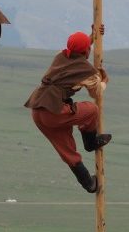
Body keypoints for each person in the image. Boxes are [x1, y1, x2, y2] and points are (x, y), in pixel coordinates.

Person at [24, 29, 111, 193]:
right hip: (54, 111)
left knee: (66, 148)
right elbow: (96, 92)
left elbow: (80, 49)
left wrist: (93, 36)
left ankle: (89, 183)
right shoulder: (87, 72)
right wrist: (104, 81)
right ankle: (90, 142)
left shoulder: (60, 56)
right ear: (87, 51)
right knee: (92, 110)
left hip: (37, 110)